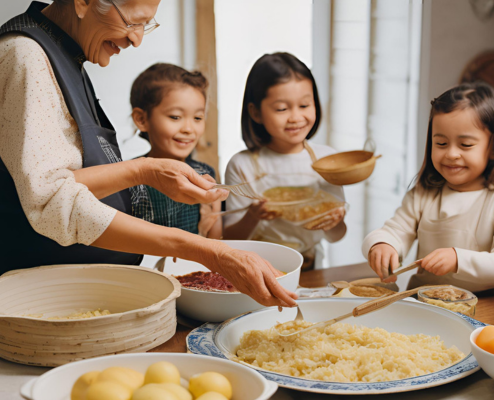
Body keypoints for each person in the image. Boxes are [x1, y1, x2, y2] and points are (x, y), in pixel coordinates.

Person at [0, 0, 296, 308]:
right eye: (132, 21)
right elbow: (51, 201)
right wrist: (206, 250)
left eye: (146, 25)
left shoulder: (61, 54)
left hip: (79, 295)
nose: (137, 39)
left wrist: (148, 171)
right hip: (45, 300)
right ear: (83, 2)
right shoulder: (25, 55)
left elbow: (57, 182)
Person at [363, 82, 494, 292]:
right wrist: (381, 244)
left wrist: (458, 259)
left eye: (466, 145)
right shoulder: (424, 194)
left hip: (484, 306)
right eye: (441, 144)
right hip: (424, 303)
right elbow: (395, 231)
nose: (451, 154)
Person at [223, 52, 346, 270]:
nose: (296, 117)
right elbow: (229, 239)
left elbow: (337, 236)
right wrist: (253, 215)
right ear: (256, 112)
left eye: (305, 105)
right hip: (257, 271)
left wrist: (334, 221)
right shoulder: (242, 165)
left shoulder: (327, 160)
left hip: (311, 269)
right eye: (282, 109)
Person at [130, 63, 221, 238]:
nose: (189, 128)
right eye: (175, 117)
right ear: (142, 119)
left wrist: (213, 214)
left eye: (197, 118)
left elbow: (214, 241)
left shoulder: (205, 174)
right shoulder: (127, 180)